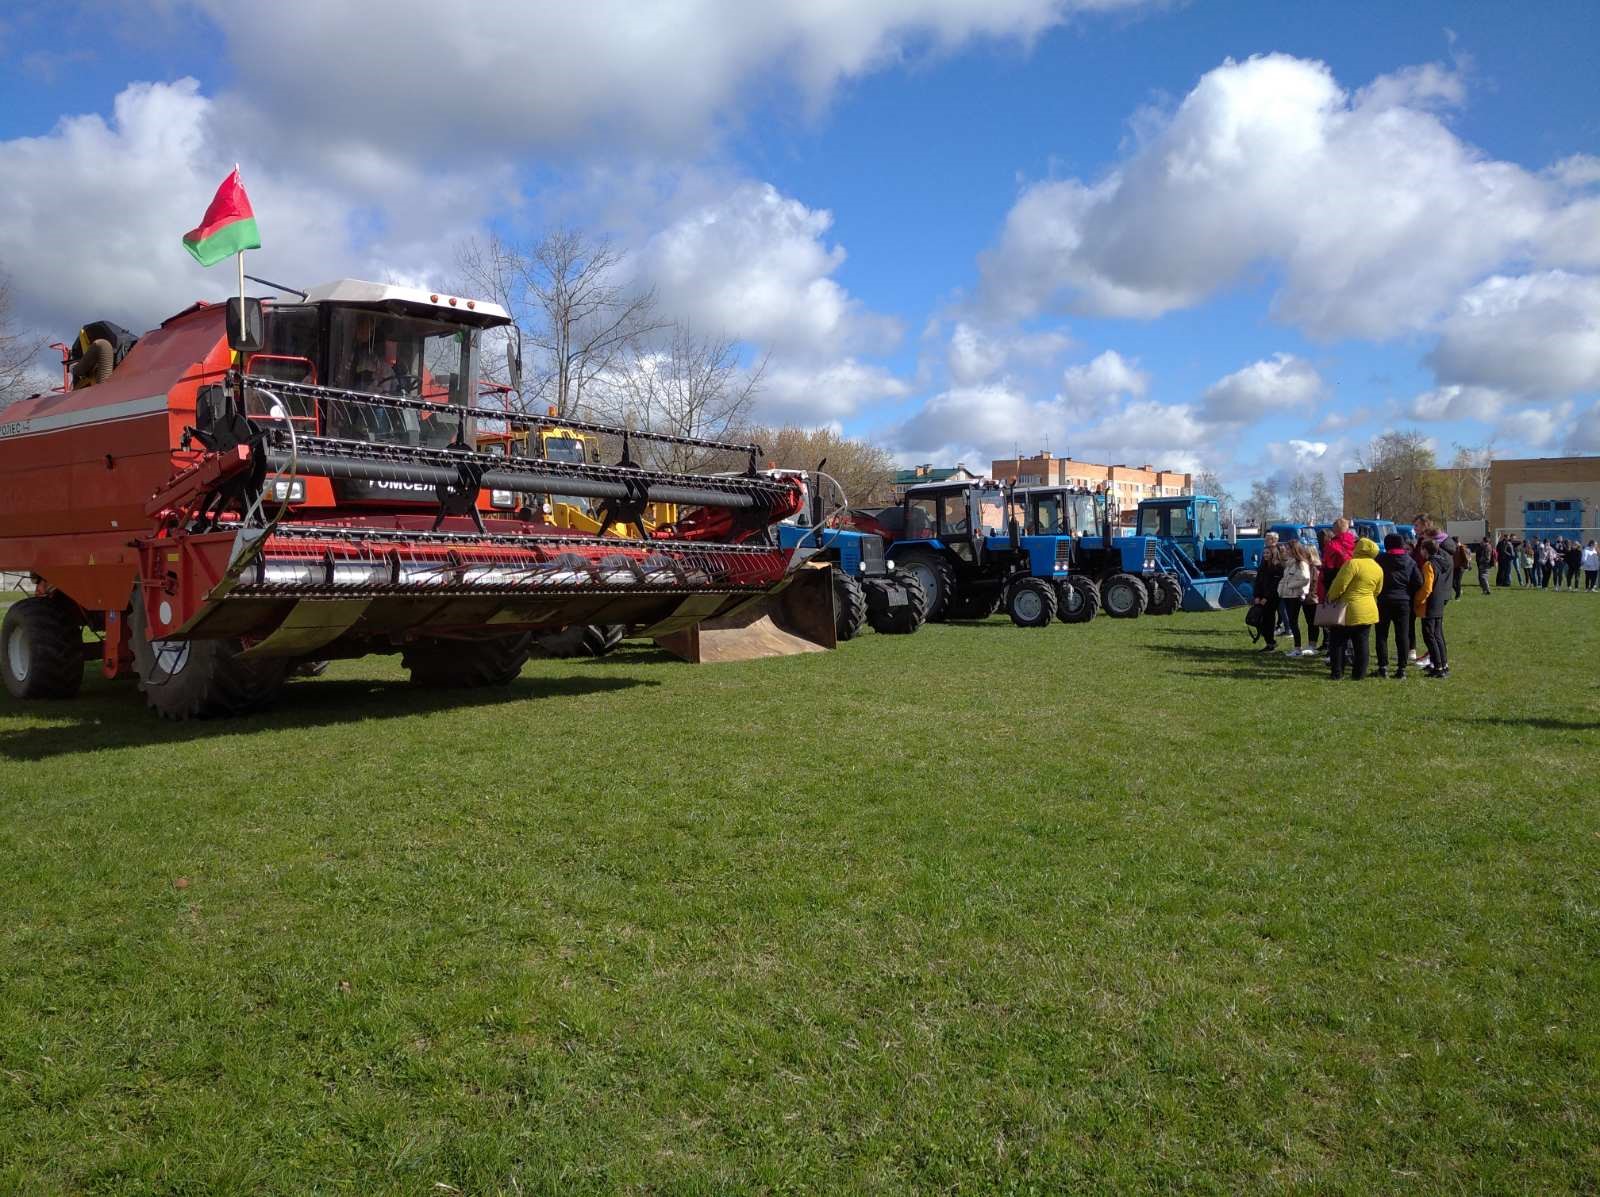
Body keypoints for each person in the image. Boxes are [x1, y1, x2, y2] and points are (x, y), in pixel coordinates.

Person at [1326, 536, 1382, 680]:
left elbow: (1340, 585)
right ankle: (1359, 674)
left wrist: (1330, 598)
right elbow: (1378, 590)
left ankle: (1337, 673)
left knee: (1338, 641)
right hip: (1369, 608)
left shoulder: (1352, 564)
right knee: (1362, 643)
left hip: (1348, 608)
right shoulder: (1377, 567)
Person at [1374, 532, 1421, 679]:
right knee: (1402, 635)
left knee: (1381, 634)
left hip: (1384, 600)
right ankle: (1402, 669)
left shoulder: (1380, 559)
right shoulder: (1410, 561)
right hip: (1403, 601)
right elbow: (1419, 581)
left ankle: (1383, 667)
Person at [1415, 536, 1454, 679]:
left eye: (1421, 549)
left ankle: (1437, 667)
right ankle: (1444, 665)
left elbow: (1427, 587)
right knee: (1438, 634)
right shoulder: (1443, 562)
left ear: (1425, 550)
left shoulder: (1428, 565)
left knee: (1429, 635)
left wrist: (1418, 600)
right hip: (1439, 602)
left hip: (1430, 603)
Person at [1320, 518, 1357, 667]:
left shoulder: (1332, 545)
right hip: (1354, 587)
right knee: (1353, 624)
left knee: (1336, 625)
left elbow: (1328, 567)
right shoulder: (1355, 543)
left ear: (1335, 529)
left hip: (1336, 585)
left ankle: (1337, 656)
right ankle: (1352, 653)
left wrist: (1327, 591)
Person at [1278, 538, 1315, 657]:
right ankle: (1297, 648)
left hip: (1294, 596)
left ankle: (1298, 649)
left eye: (1288, 548)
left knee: (1293, 622)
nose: (1286, 551)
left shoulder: (1301, 563)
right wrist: (1281, 587)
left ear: (1294, 549)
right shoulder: (1291, 563)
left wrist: (1290, 585)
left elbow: (1305, 579)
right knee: (1292, 621)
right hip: (1287, 595)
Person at [1252, 539, 1286, 653]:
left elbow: (1274, 585)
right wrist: (1257, 596)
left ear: (1273, 554)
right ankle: (1269, 642)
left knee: (1268, 620)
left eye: (1268, 553)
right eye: (1264, 553)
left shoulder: (1277, 567)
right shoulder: (1262, 566)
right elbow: (1257, 582)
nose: (1265, 555)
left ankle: (1271, 643)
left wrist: (1266, 598)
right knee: (1261, 621)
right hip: (1260, 598)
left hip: (1271, 599)